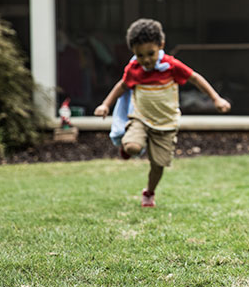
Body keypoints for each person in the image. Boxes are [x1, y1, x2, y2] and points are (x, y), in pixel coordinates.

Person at [94, 18, 231, 207]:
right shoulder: (134, 69)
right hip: (141, 118)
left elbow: (195, 79)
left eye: (150, 53)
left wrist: (216, 99)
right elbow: (122, 86)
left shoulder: (171, 66)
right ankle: (129, 146)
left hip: (166, 124)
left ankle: (149, 192)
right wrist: (105, 105)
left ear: (161, 45)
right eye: (140, 55)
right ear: (133, 53)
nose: (146, 60)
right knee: (133, 147)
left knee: (158, 165)